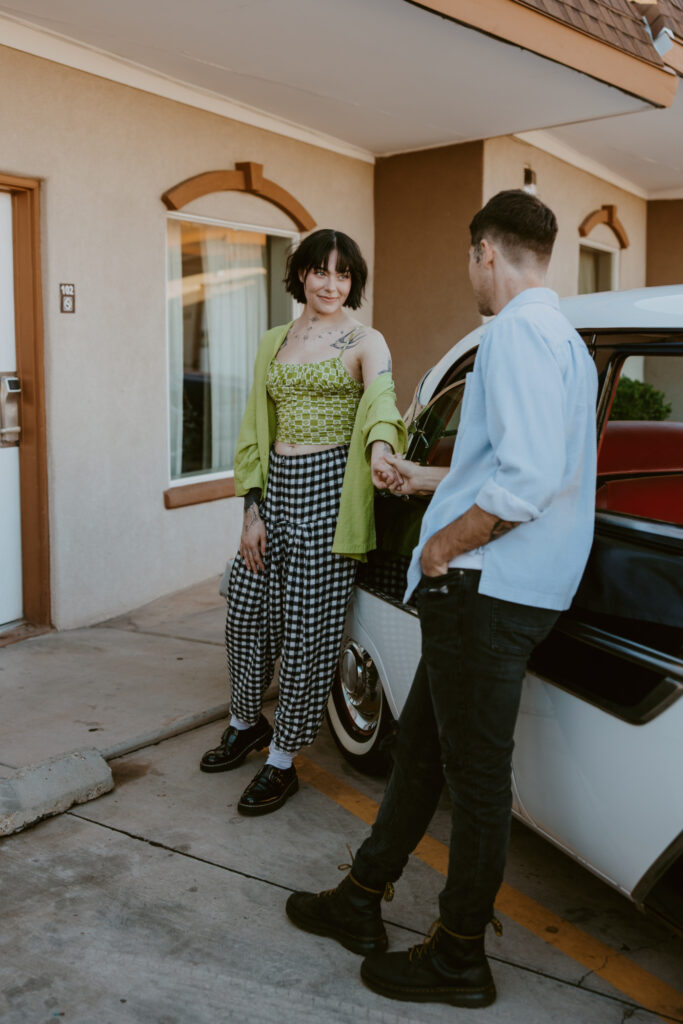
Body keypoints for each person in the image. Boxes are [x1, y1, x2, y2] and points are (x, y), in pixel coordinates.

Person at [285, 191, 598, 1008]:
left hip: (486, 591)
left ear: (485, 252)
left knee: (476, 781)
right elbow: (524, 468)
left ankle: (460, 953)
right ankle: (361, 898)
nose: (469, 272)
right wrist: (426, 478)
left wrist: (438, 545)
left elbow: (525, 482)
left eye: (468, 259)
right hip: (508, 589)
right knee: (421, 750)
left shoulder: (513, 336)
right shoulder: (563, 338)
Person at [199, 228, 407, 817]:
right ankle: (245, 722)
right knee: (244, 606)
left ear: (354, 282)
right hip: (276, 493)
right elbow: (252, 427)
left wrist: (380, 450)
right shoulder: (274, 340)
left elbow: (383, 402)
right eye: (321, 271)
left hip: (327, 497)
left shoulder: (366, 340)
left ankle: (284, 760)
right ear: (302, 275)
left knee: (309, 630)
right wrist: (250, 510)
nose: (331, 284)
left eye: (344, 274)